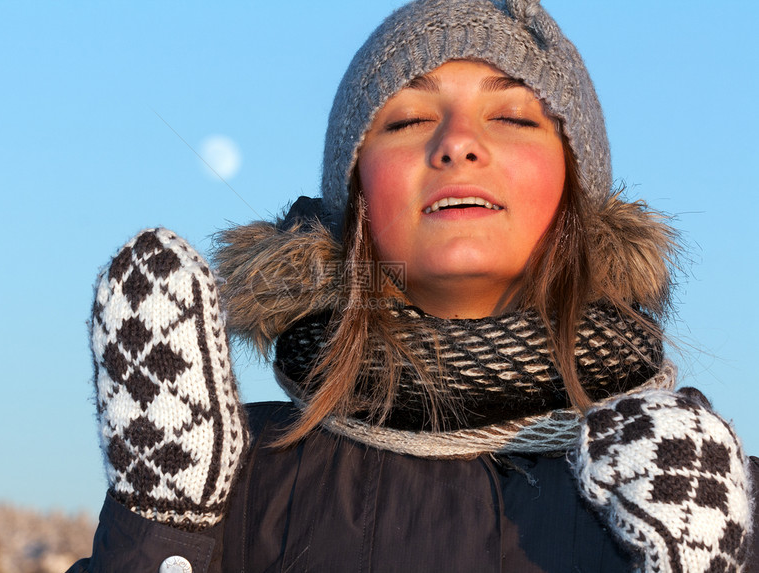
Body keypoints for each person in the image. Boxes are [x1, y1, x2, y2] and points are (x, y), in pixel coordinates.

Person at [69, 0, 758, 571]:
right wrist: (159, 534)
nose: (458, 143)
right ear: (356, 191)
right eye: (408, 119)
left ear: (580, 191)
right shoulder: (226, 477)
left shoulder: (704, 486)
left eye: (513, 116)